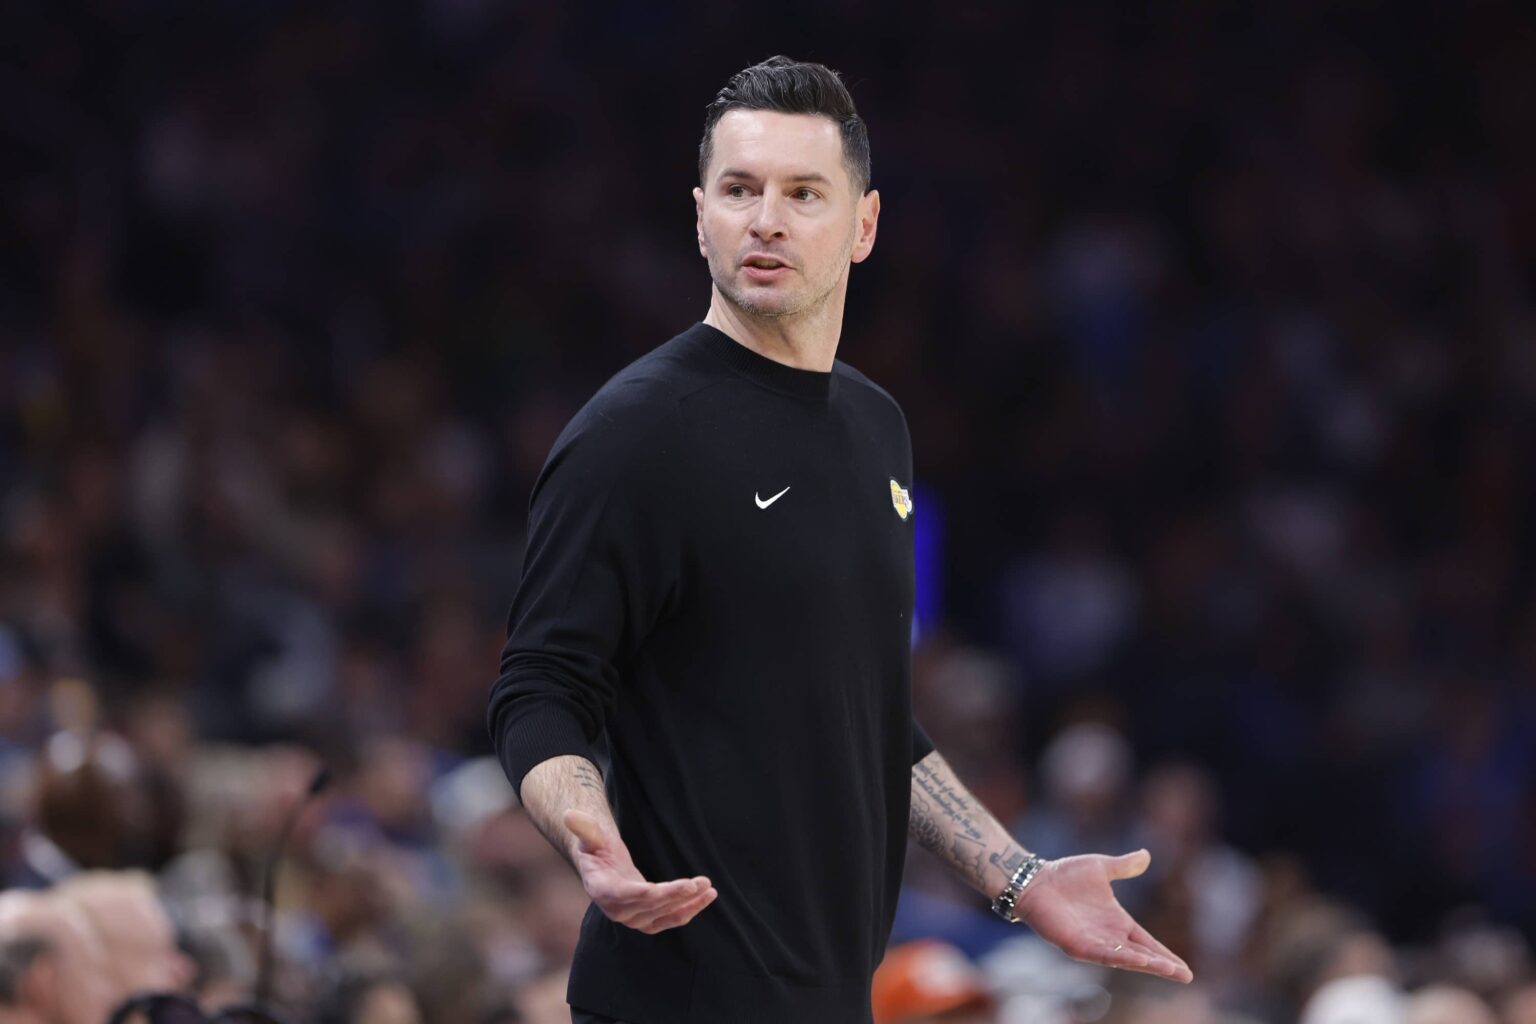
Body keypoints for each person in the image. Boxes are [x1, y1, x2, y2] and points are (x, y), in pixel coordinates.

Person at [487, 55, 1192, 1024]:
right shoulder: (634, 434)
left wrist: (1021, 879)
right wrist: (588, 837)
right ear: (700, 216)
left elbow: (871, 716)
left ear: (862, 225)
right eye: (739, 190)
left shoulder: (877, 429)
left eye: (802, 193)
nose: (765, 218)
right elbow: (539, 686)